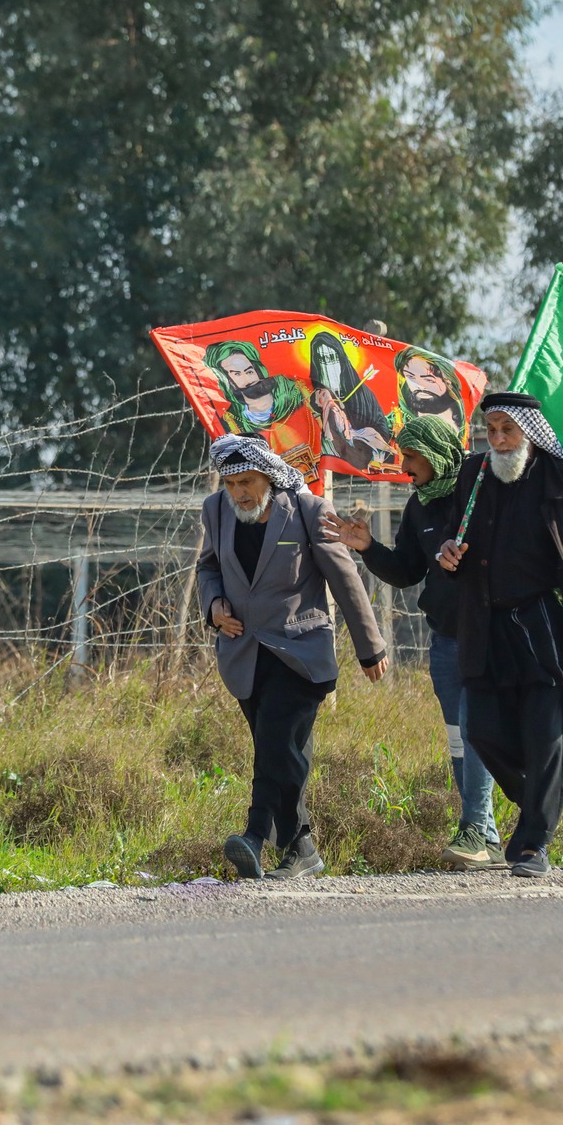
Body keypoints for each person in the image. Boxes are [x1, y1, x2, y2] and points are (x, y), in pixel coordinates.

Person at [434, 391, 563, 878]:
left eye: (508, 430)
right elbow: (454, 538)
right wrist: (448, 556)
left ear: (530, 433)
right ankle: (543, 798)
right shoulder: (474, 476)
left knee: (546, 738)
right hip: (486, 626)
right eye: (491, 430)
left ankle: (532, 844)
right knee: (482, 730)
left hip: (544, 626)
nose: (498, 440)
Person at [196, 434, 388, 880]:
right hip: (244, 653)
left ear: (267, 475)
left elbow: (344, 578)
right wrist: (213, 606)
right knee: (284, 753)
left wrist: (369, 646)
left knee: (275, 743)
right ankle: (301, 848)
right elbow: (208, 567)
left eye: (247, 481)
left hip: (300, 650)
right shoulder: (216, 510)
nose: (240, 492)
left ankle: (253, 835)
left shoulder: (307, 509)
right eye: (231, 484)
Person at [322, 416, 503, 869]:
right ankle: (490, 839)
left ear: (437, 453)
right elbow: (406, 572)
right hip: (444, 639)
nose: (404, 466)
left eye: (412, 457)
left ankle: (473, 830)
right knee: (460, 738)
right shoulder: (419, 504)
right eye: (403, 456)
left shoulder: (481, 489)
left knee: (476, 725)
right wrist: (367, 548)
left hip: (488, 633)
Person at [202, 341, 317, 475]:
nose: (248, 379)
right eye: (237, 374)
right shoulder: (232, 421)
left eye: (249, 371)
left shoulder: (298, 393)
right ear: (227, 382)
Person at [306, 330, 395, 470]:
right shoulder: (311, 394)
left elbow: (382, 428)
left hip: (362, 466)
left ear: (341, 360)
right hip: (326, 470)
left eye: (332, 358)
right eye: (322, 360)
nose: (327, 366)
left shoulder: (361, 393)